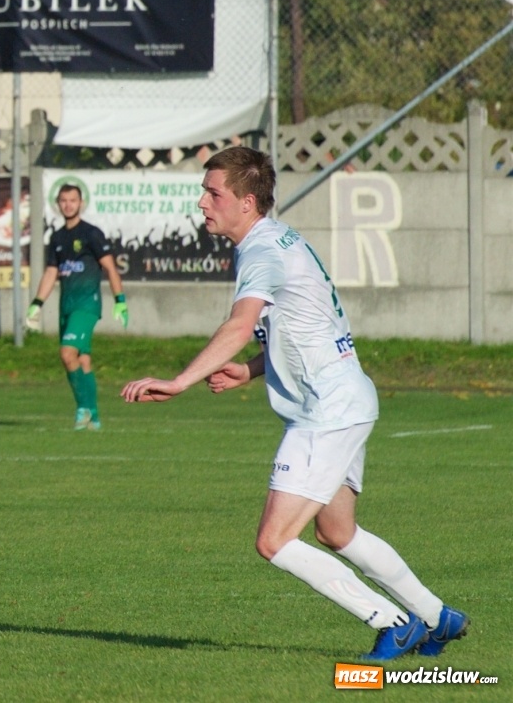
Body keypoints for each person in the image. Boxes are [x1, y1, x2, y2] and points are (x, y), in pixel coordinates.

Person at [121, 146, 469, 661]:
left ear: (246, 201)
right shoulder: (280, 240)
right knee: (337, 531)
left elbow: (240, 324)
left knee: (274, 540)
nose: (202, 202)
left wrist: (180, 381)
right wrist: (252, 369)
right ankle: (438, 617)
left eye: (213, 192)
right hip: (348, 396)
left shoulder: (262, 250)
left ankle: (394, 622)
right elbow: (304, 325)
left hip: (326, 411)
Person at [25, 181, 128, 430]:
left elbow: (110, 267)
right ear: (58, 204)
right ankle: (93, 417)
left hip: (87, 305)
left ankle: (82, 408)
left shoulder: (91, 234)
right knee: (82, 360)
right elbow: (52, 273)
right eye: (64, 200)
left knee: (66, 352)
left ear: (80, 203)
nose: (68, 205)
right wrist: (37, 303)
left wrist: (120, 301)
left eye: (73, 200)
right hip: (66, 306)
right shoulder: (58, 237)